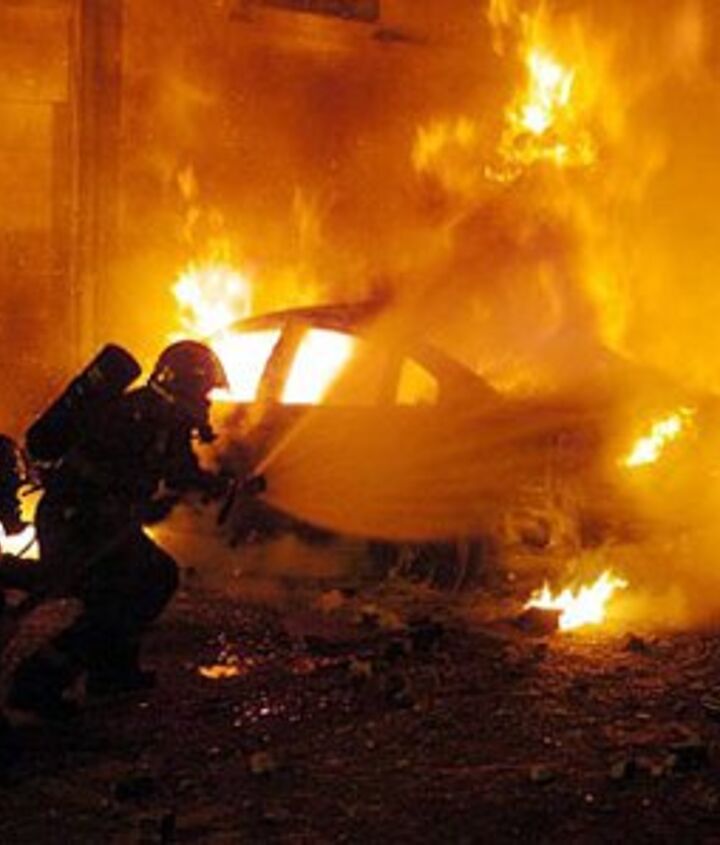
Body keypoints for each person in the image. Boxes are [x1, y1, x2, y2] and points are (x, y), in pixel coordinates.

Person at [7, 340, 230, 717]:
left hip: (101, 520)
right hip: (75, 520)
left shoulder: (166, 420)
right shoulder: (133, 414)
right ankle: (36, 682)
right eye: (204, 390)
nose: (207, 401)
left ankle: (112, 672)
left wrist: (219, 484)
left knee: (151, 578)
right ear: (184, 385)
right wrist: (128, 502)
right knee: (123, 592)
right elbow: (97, 474)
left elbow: (180, 472)